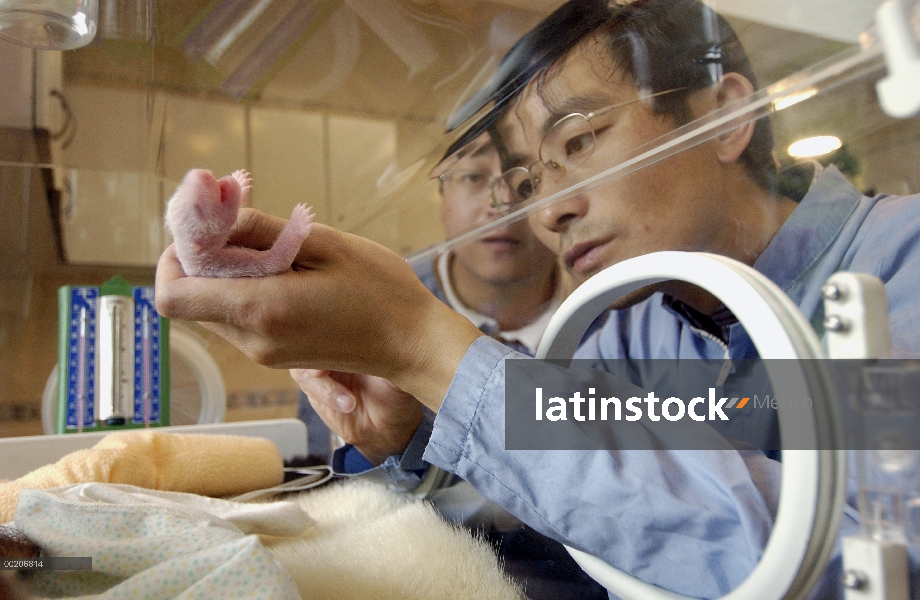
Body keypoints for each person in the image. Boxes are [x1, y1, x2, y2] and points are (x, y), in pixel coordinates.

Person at [155, 0, 920, 597]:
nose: (546, 211)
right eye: (529, 181)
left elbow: (858, 561)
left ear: (722, 116)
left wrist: (426, 345)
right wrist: (411, 430)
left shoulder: (902, 263)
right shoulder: (634, 331)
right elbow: (585, 529)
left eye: (579, 141)